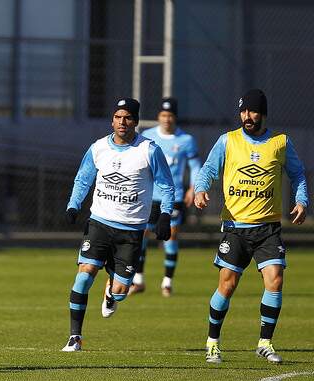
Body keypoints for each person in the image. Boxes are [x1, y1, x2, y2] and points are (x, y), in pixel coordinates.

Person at [194, 89, 308, 364]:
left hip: (268, 228)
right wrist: (200, 189)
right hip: (235, 228)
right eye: (244, 111)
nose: (247, 116)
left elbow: (298, 174)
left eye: (253, 111)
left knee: (275, 279)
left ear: (263, 114)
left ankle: (265, 343)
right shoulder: (228, 141)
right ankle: (212, 343)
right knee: (228, 284)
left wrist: (301, 200)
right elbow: (209, 169)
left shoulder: (280, 143)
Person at [62, 97, 175, 352]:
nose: (122, 122)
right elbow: (83, 179)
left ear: (135, 122)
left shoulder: (149, 150)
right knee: (83, 276)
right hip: (99, 223)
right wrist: (73, 205)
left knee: (122, 290)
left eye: (128, 118)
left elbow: (166, 185)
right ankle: (75, 337)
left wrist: (165, 214)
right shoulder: (98, 148)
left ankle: (112, 292)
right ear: (112, 120)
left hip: (131, 230)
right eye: (118, 117)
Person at [132, 98, 202, 296]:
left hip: (174, 196)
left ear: (175, 117)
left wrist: (193, 188)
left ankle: (167, 282)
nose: (166, 119)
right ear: (158, 117)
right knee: (142, 236)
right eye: (163, 115)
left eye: (170, 116)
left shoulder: (186, 140)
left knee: (170, 236)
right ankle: (138, 280)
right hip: (148, 196)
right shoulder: (147, 136)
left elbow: (195, 166)